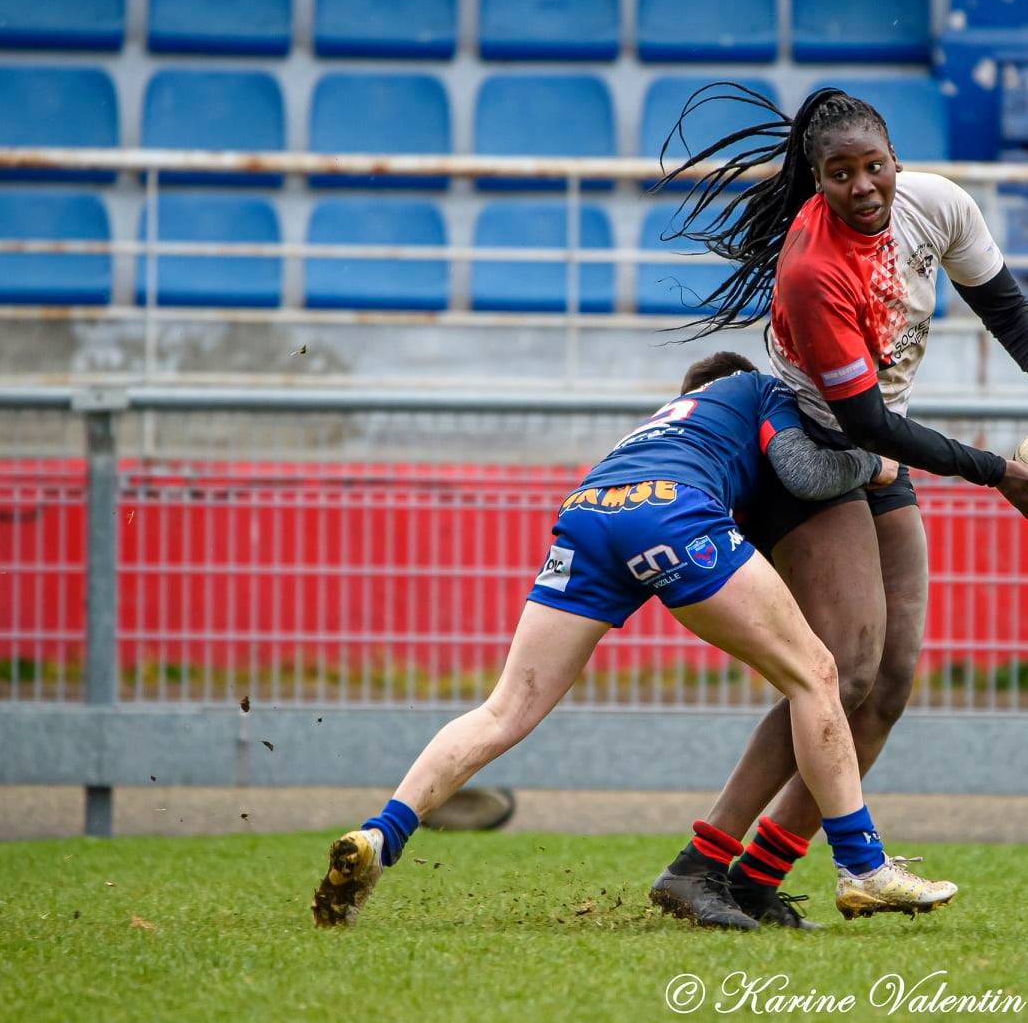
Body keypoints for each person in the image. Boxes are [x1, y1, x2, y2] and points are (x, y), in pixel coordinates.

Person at [644, 85, 1028, 930]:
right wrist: (997, 473)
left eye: (874, 166)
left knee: (890, 681)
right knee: (842, 668)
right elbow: (863, 422)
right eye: (840, 173)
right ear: (817, 179)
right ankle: (699, 863)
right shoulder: (811, 269)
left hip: (875, 453)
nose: (862, 185)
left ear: (895, 157)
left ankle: (757, 877)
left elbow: (1005, 307)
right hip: (808, 453)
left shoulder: (937, 206)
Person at [311, 352, 958, 931]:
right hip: (672, 511)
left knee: (505, 708)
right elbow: (800, 468)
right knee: (816, 674)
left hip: (588, 512)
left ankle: (380, 835)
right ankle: (861, 863)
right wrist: (875, 463)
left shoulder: (662, 422)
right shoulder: (759, 390)